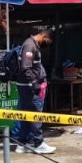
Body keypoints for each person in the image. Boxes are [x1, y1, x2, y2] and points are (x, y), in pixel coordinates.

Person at [12, 25, 55, 155]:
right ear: (44, 36)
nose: (47, 44)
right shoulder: (30, 45)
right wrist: (34, 83)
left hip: (26, 85)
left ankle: (22, 144)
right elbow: (26, 67)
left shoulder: (32, 45)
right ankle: (38, 143)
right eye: (47, 41)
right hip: (28, 87)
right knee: (35, 114)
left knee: (26, 115)